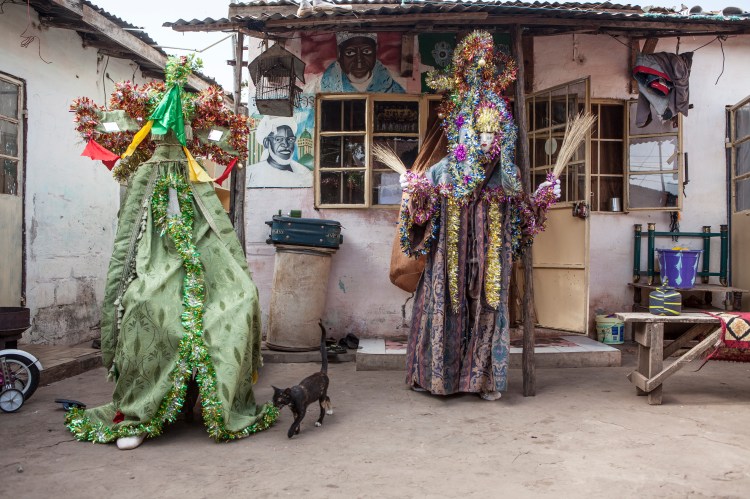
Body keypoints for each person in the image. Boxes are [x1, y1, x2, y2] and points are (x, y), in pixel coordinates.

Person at [65, 58, 278, 449]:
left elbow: (228, 140)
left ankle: (217, 401)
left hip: (194, 196)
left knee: (240, 297)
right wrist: (101, 122)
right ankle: (139, 414)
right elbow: (103, 126)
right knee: (144, 301)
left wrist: (227, 132)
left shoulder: (197, 124)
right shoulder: (141, 115)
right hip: (153, 224)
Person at [397, 32, 560, 401]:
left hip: (490, 259)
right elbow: (420, 217)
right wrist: (415, 194)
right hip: (448, 262)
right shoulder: (441, 173)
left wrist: (541, 200)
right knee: (449, 307)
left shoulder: (508, 177)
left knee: (488, 309)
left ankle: (484, 379)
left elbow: (523, 222)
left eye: (494, 134)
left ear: (502, 136)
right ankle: (441, 378)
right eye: (479, 133)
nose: (487, 141)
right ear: (464, 134)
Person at [320, 32, 404, 93]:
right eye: (350, 53)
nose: (359, 62)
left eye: (366, 51)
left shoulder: (395, 91)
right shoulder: (321, 88)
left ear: (376, 51)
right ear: (339, 54)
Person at [248, 116, 313, 188]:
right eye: (279, 139)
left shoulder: (304, 174)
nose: (286, 144)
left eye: (290, 139)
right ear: (266, 143)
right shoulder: (251, 174)